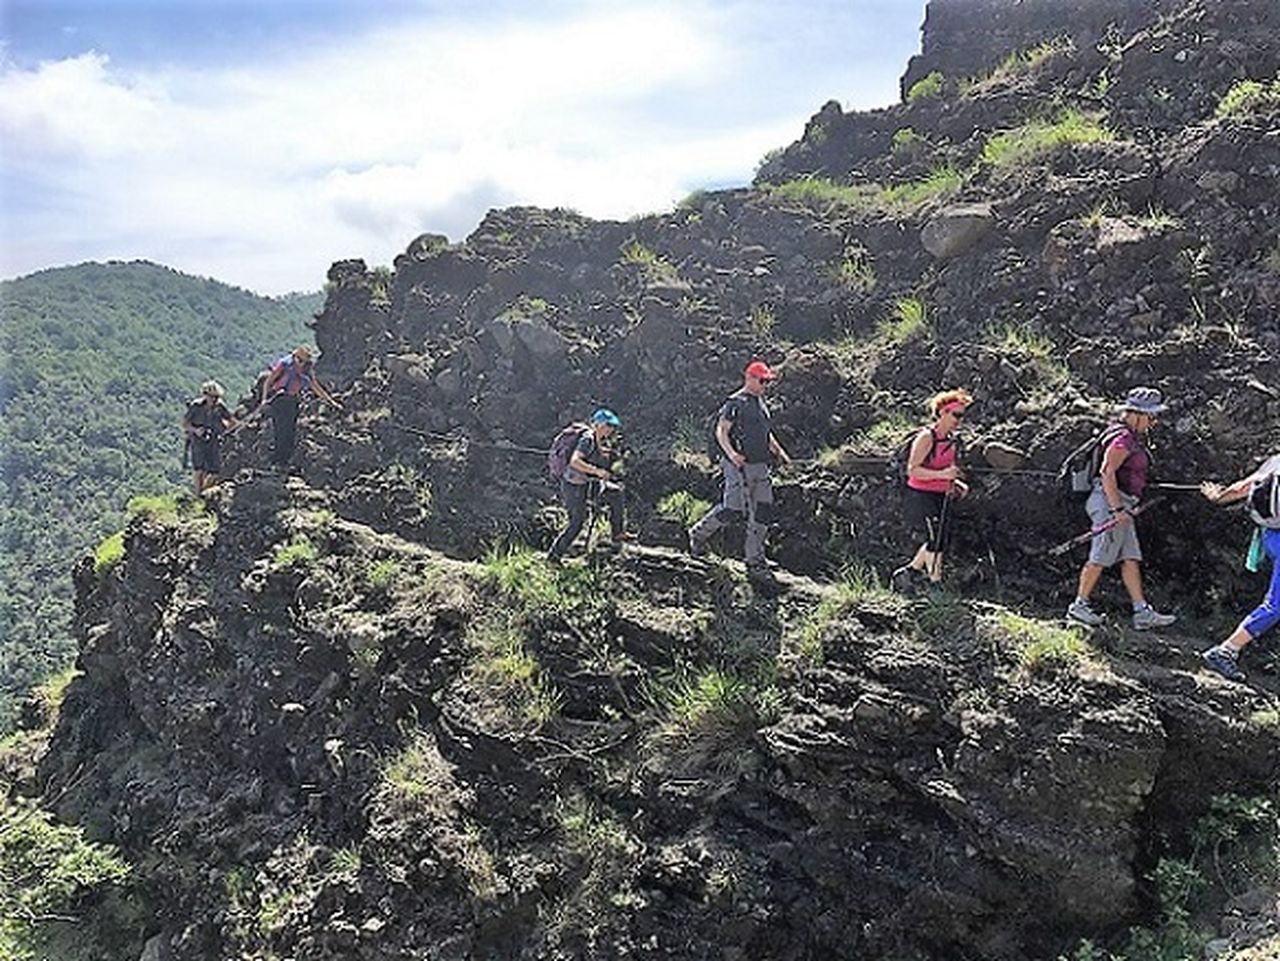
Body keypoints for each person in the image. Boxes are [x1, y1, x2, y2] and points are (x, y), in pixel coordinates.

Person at [1065, 387, 1177, 630]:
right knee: (1100, 556)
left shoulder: (1129, 436)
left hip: (1122, 505)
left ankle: (1141, 612)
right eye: (1151, 416)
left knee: (1129, 558)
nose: (1153, 421)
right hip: (1110, 504)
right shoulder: (1123, 439)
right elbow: (1107, 472)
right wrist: (1117, 510)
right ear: (1136, 414)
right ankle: (1078, 607)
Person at [687, 359, 792, 580]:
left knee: (762, 510)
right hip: (739, 466)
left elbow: (765, 432)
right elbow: (721, 431)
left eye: (767, 382)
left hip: (761, 465)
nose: (766, 385)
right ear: (750, 378)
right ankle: (697, 535)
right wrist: (732, 454)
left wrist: (778, 451)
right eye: (762, 381)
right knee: (733, 508)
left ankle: (755, 559)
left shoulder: (761, 403)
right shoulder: (735, 402)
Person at [1198, 453, 1280, 682]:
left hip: (1270, 535)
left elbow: (1244, 487)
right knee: (1275, 605)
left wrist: (1218, 496)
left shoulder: (1276, 460)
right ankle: (1225, 651)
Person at [891, 389, 971, 590]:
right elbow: (913, 470)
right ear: (943, 412)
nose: (959, 420)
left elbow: (945, 470)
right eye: (956, 414)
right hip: (920, 496)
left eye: (962, 415)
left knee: (940, 537)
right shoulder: (927, 437)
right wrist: (943, 475)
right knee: (935, 539)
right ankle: (936, 584)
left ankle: (910, 571)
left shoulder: (952, 440)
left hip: (941, 495)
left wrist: (955, 483)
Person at [548, 408, 629, 563]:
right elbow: (575, 461)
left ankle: (617, 533)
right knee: (576, 523)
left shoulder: (597, 440)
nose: (610, 429)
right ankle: (553, 557)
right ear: (598, 424)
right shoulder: (587, 439)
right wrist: (598, 471)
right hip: (573, 486)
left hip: (586, 484)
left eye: (612, 426)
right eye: (608, 425)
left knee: (615, 493)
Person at [260, 346, 341, 470]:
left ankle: (284, 462)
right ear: (295, 357)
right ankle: (276, 462)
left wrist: (330, 402)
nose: (302, 363)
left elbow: (315, 386)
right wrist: (264, 400)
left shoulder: (307, 370)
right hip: (279, 400)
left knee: (290, 432)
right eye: (300, 360)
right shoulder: (284, 364)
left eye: (304, 361)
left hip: (293, 401)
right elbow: (268, 382)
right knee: (281, 431)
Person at [183, 380, 236, 495]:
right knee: (199, 469)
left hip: (214, 440)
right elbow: (185, 424)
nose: (215, 399)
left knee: (214, 470)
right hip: (198, 440)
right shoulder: (196, 406)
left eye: (216, 397)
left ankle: (205, 492)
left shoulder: (220, 407)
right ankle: (198, 494)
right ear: (205, 395)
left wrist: (225, 430)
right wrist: (196, 430)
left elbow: (232, 421)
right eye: (212, 397)